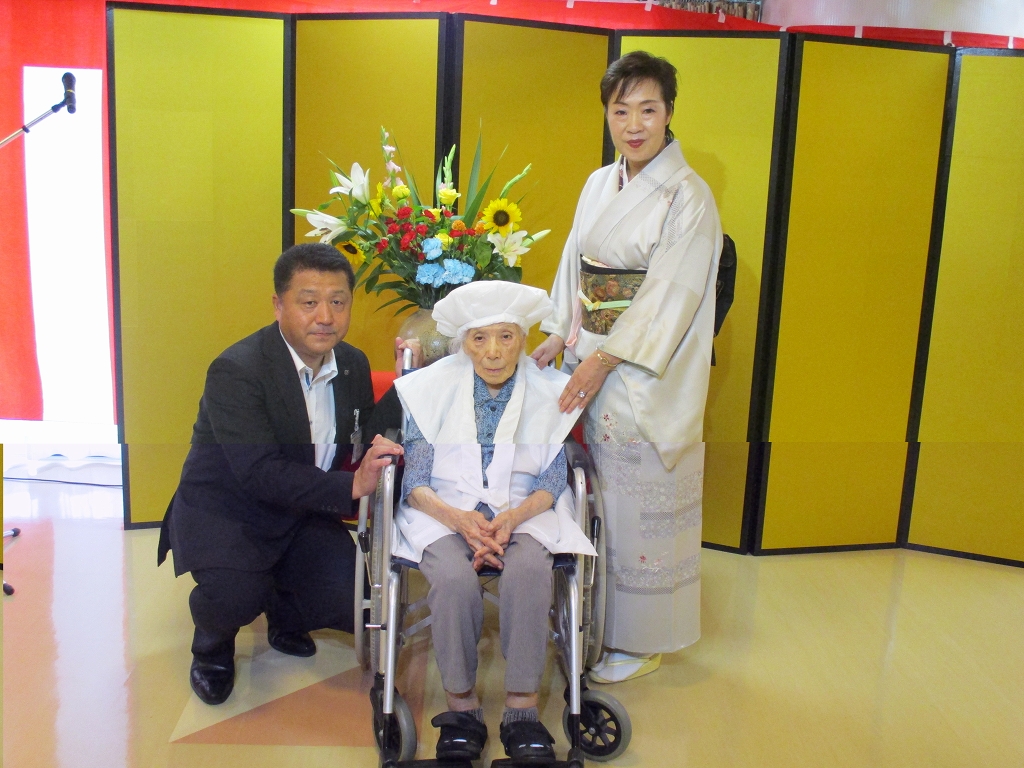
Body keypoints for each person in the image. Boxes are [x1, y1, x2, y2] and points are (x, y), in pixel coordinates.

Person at [531, 51, 723, 684]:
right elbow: (575, 268)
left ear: (669, 113)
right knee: (595, 498)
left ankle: (641, 641)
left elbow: (672, 294)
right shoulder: (598, 183)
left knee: (638, 508)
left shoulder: (689, 196)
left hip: (641, 373)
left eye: (648, 109)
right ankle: (591, 622)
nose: (634, 125)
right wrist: (558, 332)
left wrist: (603, 359)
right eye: (621, 111)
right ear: (607, 115)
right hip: (591, 357)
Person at [157, 242, 414, 706]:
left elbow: (366, 434)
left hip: (302, 509)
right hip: (231, 511)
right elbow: (258, 473)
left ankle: (284, 612)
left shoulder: (351, 363)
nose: (326, 316)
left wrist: (404, 384)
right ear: (279, 305)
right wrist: (351, 486)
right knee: (235, 593)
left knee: (351, 600)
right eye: (309, 302)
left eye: (338, 301)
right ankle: (212, 647)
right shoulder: (236, 370)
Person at [392, 281, 595, 764]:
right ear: (462, 342)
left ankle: (522, 711)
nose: (493, 352)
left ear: (523, 339)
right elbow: (415, 479)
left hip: (525, 510)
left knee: (528, 571)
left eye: (506, 336)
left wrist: (512, 518)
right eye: (479, 338)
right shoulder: (429, 388)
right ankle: (461, 708)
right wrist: (459, 520)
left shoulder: (550, 390)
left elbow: (552, 478)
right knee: (453, 578)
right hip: (442, 510)